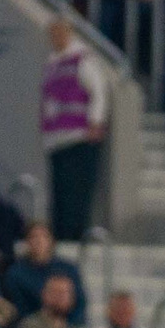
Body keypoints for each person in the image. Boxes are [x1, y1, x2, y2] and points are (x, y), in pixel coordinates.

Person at [40, 17, 109, 242]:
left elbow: (98, 92)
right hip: (56, 138)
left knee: (76, 192)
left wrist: (95, 122)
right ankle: (60, 234)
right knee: (59, 192)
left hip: (78, 136)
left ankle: (75, 235)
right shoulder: (52, 62)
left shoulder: (82, 59)